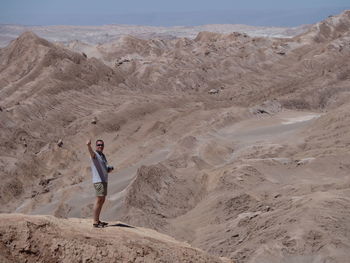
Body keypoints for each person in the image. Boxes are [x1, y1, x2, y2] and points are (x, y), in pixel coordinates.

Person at [86, 139, 114, 228]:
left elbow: (104, 167)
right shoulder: (95, 154)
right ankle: (95, 222)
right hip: (98, 181)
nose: (100, 146)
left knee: (102, 200)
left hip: (104, 180)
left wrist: (108, 169)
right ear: (96, 146)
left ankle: (98, 220)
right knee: (99, 200)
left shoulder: (102, 156)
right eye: (98, 145)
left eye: (102, 145)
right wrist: (88, 146)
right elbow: (91, 153)